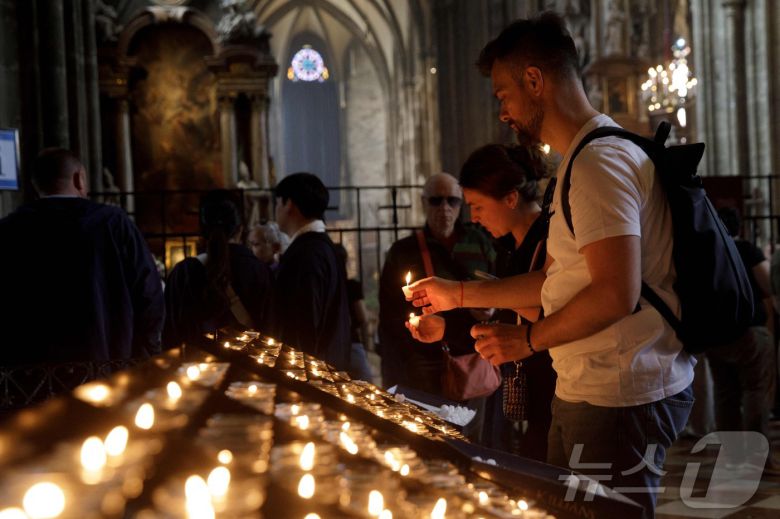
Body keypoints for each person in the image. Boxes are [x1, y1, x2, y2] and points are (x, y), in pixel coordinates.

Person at [407, 13, 694, 517]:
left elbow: (614, 293)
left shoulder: (598, 165)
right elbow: (558, 281)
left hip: (617, 395)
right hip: (593, 387)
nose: (503, 112)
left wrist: (529, 341)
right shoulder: (584, 160)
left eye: (503, 95)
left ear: (535, 81)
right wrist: (457, 293)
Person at [0, 148, 164, 409]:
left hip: (30, 382)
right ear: (79, 179)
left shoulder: (8, 230)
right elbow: (149, 294)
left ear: (35, 187)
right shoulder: (112, 223)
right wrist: (144, 357)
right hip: (105, 368)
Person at [378, 173, 495, 398]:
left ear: (462, 204)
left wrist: (491, 309)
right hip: (423, 360)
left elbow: (501, 288)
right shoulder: (404, 251)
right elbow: (390, 313)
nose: (445, 208)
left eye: (452, 200)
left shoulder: (481, 242)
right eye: (436, 200)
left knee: (471, 428)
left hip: (474, 355)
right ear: (423, 203)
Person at [710, 207, 778, 473]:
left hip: (714, 333)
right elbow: (768, 283)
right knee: (756, 390)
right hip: (747, 330)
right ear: (739, 227)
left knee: (725, 395)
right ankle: (759, 458)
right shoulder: (746, 250)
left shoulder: (706, 251)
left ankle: (731, 457)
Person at [163, 191, 273, 346]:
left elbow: (172, 334)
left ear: (202, 230)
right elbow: (271, 331)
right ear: (241, 229)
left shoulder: (184, 274)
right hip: (248, 368)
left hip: (197, 366)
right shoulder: (260, 271)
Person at [272, 172, 351, 371]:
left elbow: (303, 324)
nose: (276, 210)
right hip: (328, 368)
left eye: (277, 203)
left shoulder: (306, 254)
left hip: (311, 376)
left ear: (289, 204)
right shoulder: (324, 247)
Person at [334, 243, 376, 382]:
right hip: (352, 343)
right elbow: (362, 317)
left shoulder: (328, 288)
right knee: (367, 386)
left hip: (332, 345)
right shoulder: (351, 286)